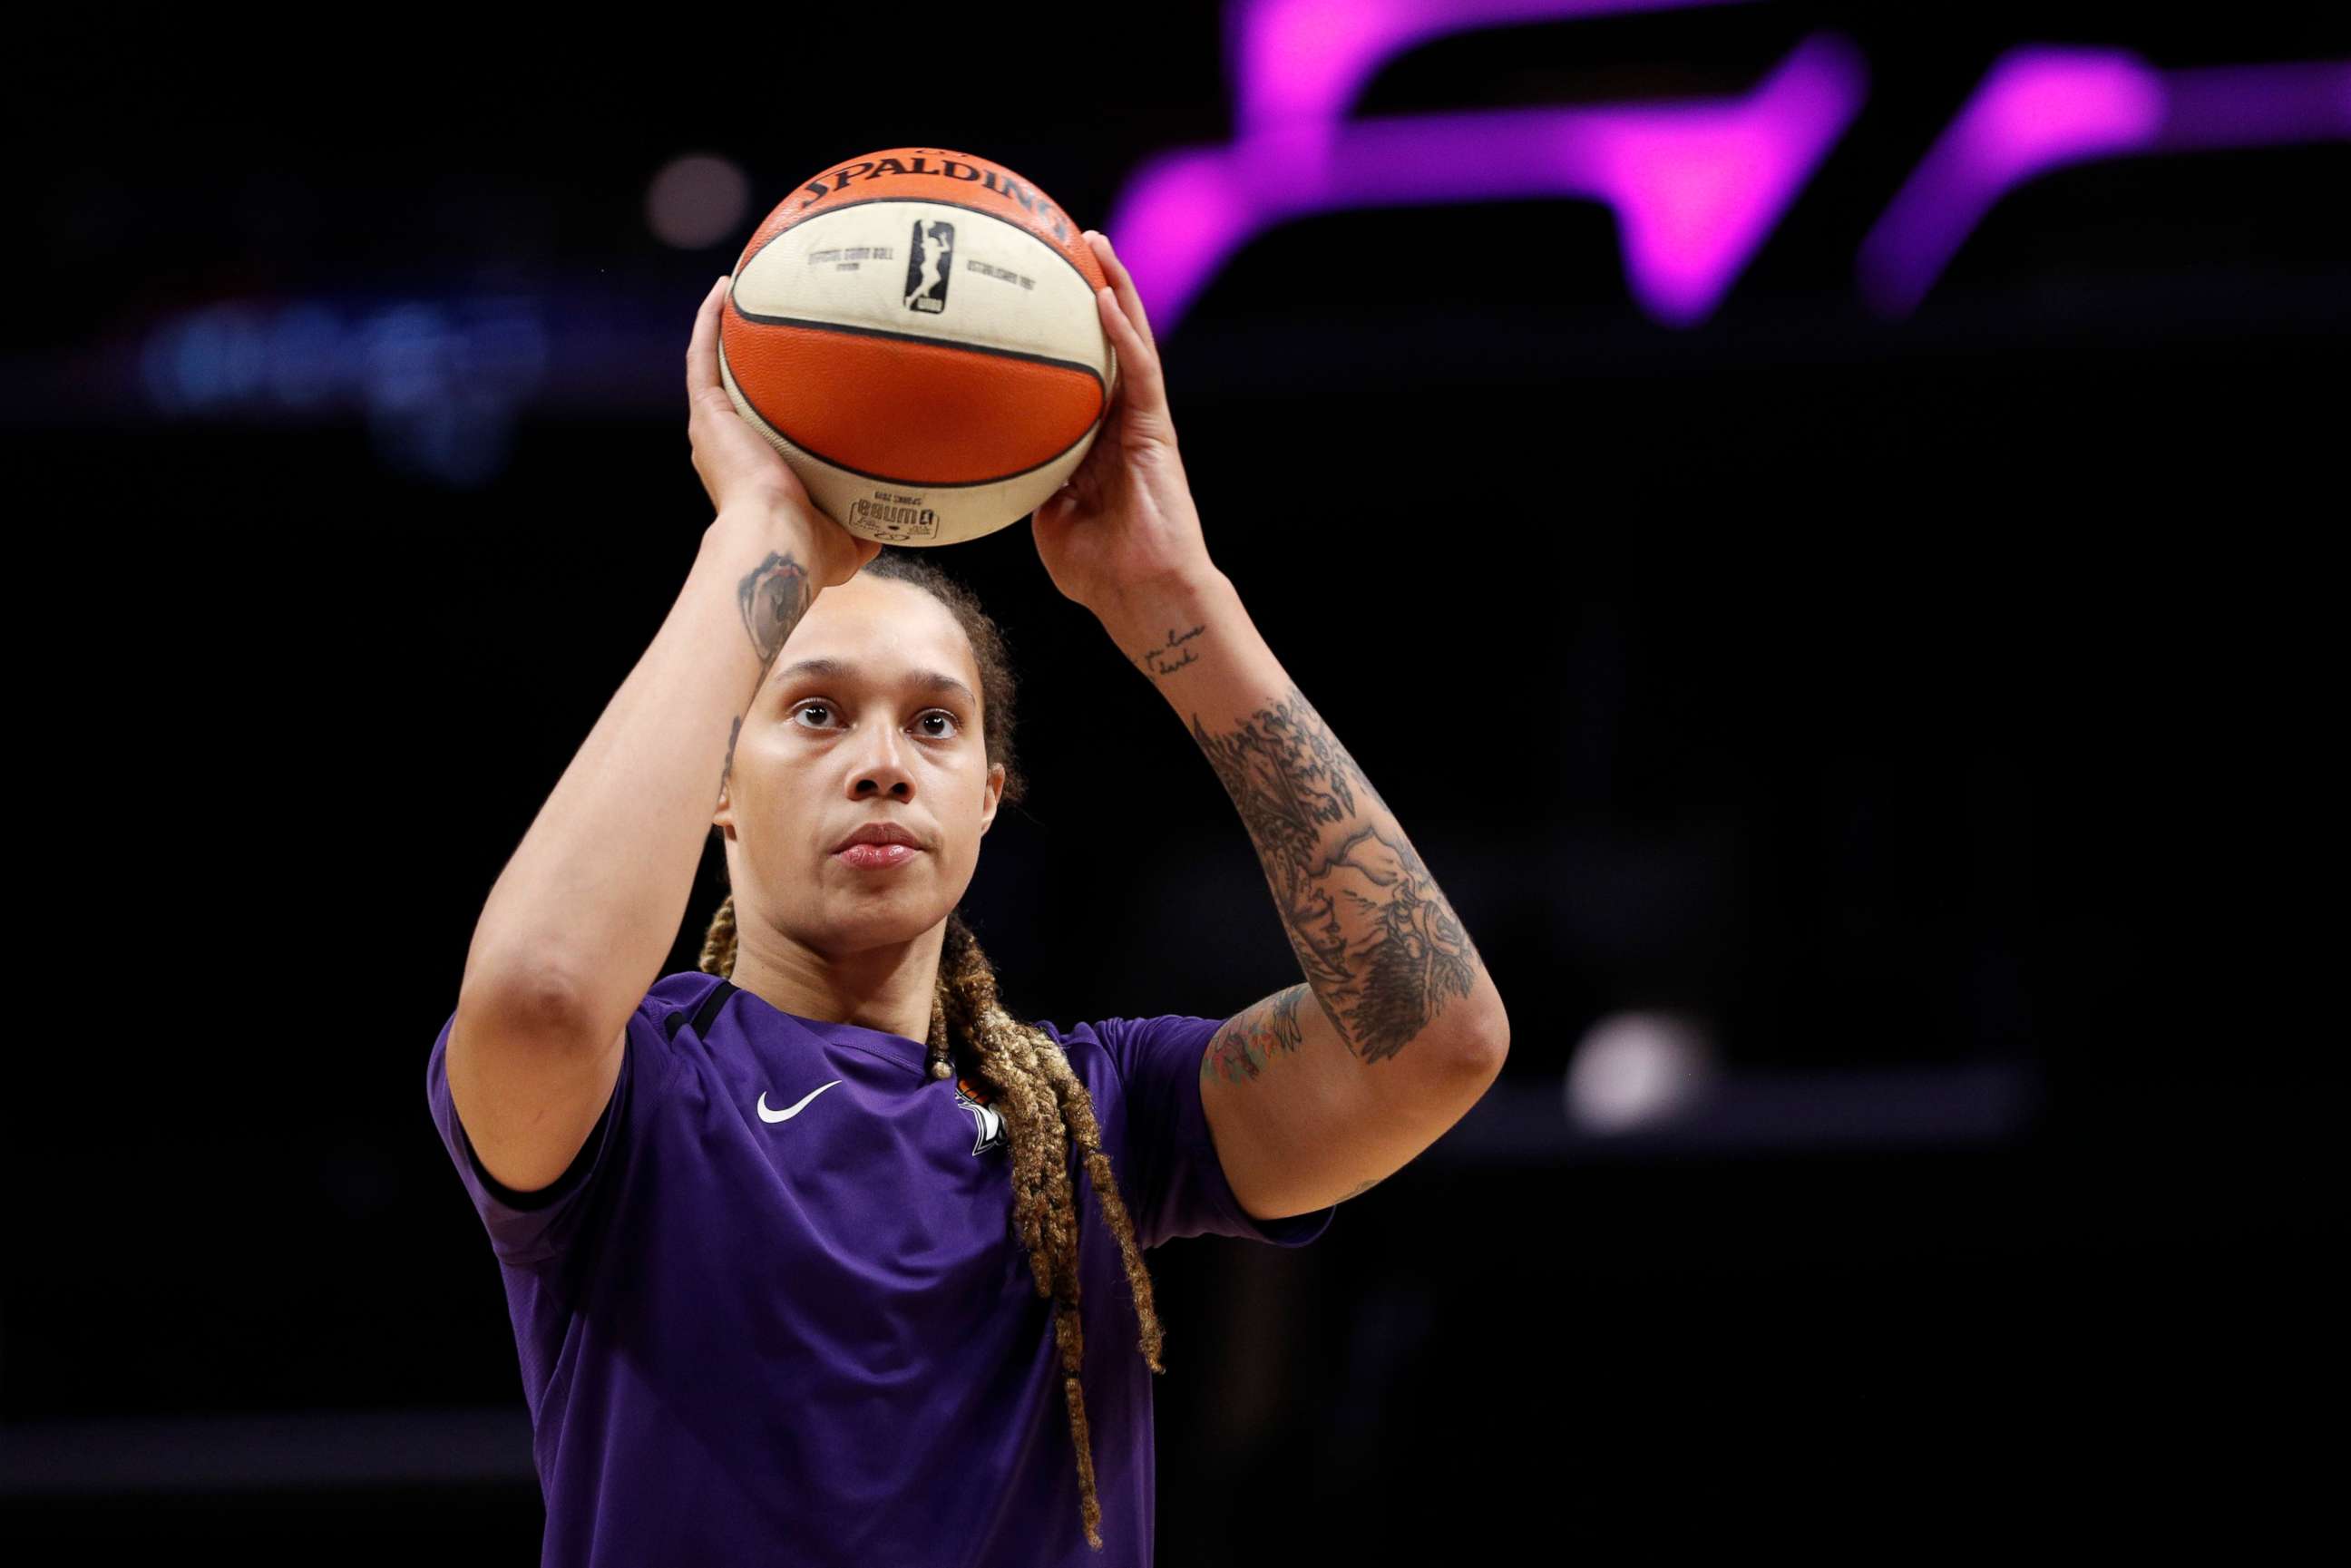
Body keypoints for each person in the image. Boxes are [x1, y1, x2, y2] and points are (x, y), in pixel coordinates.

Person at [425, 230, 1511, 1566]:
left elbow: (1435, 1036)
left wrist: (1175, 599)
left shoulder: (1102, 1117)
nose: (883, 760)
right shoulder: (644, 1089)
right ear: (713, 779)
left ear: (988, 797)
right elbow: (534, 996)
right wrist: (759, 537)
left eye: (935, 724)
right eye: (815, 712)